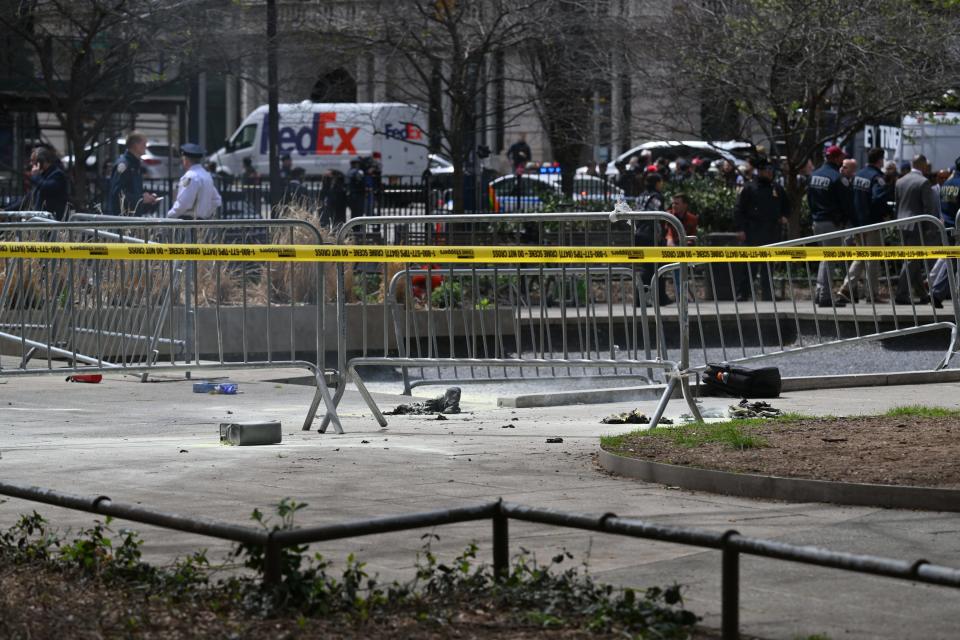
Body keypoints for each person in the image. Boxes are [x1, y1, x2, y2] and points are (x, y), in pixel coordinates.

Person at [837, 147, 891, 303]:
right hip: (871, 223)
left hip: (857, 224)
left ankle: (846, 288)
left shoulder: (858, 175)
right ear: (880, 160)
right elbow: (878, 198)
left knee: (861, 256)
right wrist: (886, 212)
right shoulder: (877, 177)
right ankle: (872, 294)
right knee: (872, 258)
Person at [733, 157, 789, 301]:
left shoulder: (776, 188)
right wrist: (740, 229)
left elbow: (787, 206)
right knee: (749, 265)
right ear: (760, 171)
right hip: (753, 231)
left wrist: (784, 216)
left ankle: (768, 294)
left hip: (771, 231)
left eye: (771, 170)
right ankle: (743, 293)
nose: (770, 173)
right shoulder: (749, 187)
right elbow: (739, 209)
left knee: (768, 266)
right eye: (767, 170)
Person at [807, 145, 853, 307]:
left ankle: (820, 293)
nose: (843, 160)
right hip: (832, 223)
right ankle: (825, 297)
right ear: (835, 158)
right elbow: (846, 203)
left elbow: (809, 200)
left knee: (824, 258)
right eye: (841, 157)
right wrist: (845, 220)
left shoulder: (814, 175)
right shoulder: (837, 178)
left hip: (817, 222)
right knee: (830, 259)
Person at [893, 154, 939, 306]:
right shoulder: (924, 182)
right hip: (916, 225)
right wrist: (930, 227)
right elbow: (928, 207)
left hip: (902, 224)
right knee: (912, 260)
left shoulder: (900, 181)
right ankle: (901, 293)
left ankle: (922, 293)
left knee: (913, 260)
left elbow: (897, 204)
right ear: (923, 164)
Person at [634, 172, 671, 305]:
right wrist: (661, 235)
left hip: (638, 234)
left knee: (647, 267)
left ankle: (642, 298)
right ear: (657, 183)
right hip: (652, 235)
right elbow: (659, 217)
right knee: (657, 267)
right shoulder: (657, 197)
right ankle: (660, 297)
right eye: (661, 182)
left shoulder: (640, 196)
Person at [106, 131, 158, 215]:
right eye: (144, 144)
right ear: (135, 145)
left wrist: (147, 199)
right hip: (122, 219)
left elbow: (133, 191)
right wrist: (141, 198)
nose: (146, 147)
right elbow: (117, 194)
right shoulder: (124, 165)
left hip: (132, 217)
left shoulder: (135, 164)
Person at [166, 143, 222, 220]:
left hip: (188, 221)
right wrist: (205, 213)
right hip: (203, 221)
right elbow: (216, 200)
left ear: (186, 160)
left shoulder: (190, 177)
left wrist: (170, 215)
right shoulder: (207, 176)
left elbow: (183, 203)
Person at [23, 146, 69, 220]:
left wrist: (35, 175)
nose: (31, 164)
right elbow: (28, 197)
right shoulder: (42, 176)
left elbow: (45, 187)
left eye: (33, 161)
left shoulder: (57, 174)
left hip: (54, 222)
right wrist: (6, 209)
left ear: (40, 162)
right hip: (41, 221)